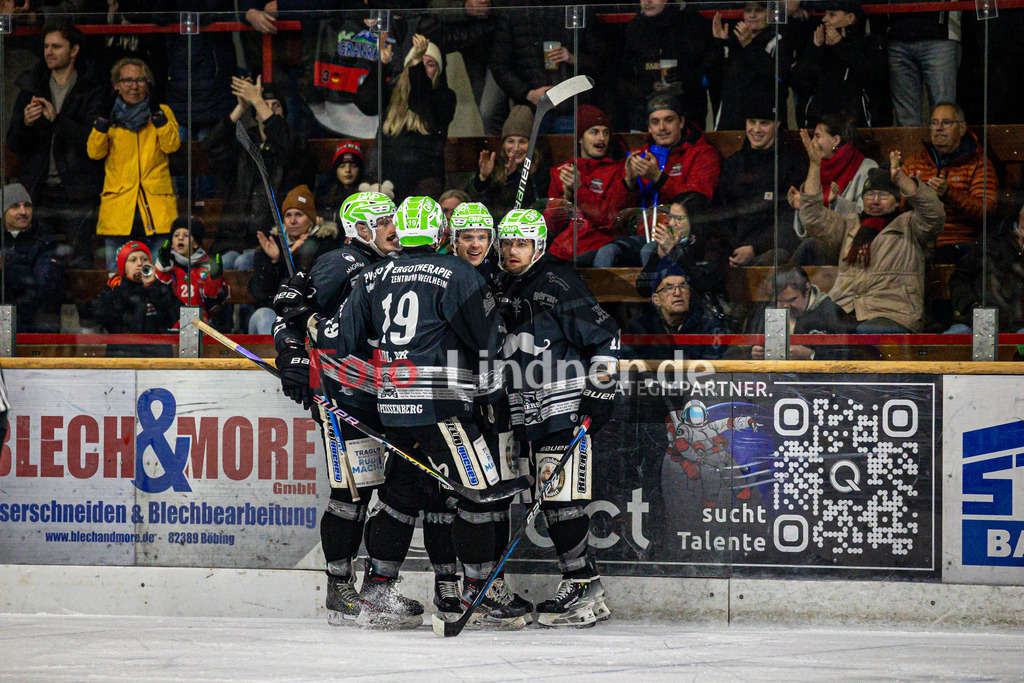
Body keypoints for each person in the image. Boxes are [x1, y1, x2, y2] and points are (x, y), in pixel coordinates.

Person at [288, 196, 519, 629]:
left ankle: (379, 588)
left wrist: (311, 323)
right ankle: (475, 591)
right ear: (441, 234)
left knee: (403, 490)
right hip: (441, 406)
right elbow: (490, 343)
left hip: (390, 406)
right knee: (480, 492)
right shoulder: (457, 272)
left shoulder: (374, 276)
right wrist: (498, 316)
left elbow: (335, 338)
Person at [272, 191, 411, 627]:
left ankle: (378, 589)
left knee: (393, 491)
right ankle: (339, 588)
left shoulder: (393, 266)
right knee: (352, 492)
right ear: (362, 229)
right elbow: (289, 315)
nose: (394, 228)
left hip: (384, 395)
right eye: (384, 221)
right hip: (346, 396)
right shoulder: (343, 263)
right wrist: (293, 360)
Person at [496, 208, 619, 628]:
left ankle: (582, 582)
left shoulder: (560, 282)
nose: (513, 251)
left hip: (561, 404)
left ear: (539, 245)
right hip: (518, 406)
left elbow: (606, 337)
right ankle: (584, 580)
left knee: (560, 497)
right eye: (508, 243)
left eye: (522, 244)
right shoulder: (498, 284)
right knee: (544, 498)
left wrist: (600, 391)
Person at [448, 201, 533, 626]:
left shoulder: (493, 278)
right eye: (467, 236)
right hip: (461, 399)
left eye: (482, 236)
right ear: (453, 239)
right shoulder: (451, 277)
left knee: (498, 495)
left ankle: (487, 585)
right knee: (468, 496)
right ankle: (469, 586)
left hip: (496, 400)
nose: (476, 243)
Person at [796, 131, 945, 334]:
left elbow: (934, 214)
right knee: (805, 323)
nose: (875, 201)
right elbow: (813, 218)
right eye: (870, 195)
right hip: (848, 307)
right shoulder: (851, 224)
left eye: (883, 195)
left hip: (892, 313)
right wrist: (815, 165)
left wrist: (901, 179)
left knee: (865, 332)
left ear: (896, 198)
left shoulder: (910, 224)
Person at [6, 21, 103, 268]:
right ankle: (43, 309)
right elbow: (14, 144)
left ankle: (83, 309)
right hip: (39, 191)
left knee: (80, 262)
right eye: (46, 46)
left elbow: (94, 143)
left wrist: (58, 121)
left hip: (77, 191)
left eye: (57, 46)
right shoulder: (32, 86)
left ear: (74, 50)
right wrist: (26, 124)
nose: (48, 51)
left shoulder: (90, 89)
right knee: (38, 262)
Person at [596, 92, 721, 267]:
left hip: (682, 238)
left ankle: (659, 294)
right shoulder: (639, 156)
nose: (661, 127)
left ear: (682, 122)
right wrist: (628, 183)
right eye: (655, 122)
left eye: (668, 120)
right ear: (648, 127)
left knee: (650, 250)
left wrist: (658, 177)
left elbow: (696, 202)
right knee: (607, 252)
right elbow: (615, 214)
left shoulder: (703, 154)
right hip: (643, 234)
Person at [203, 76, 313, 270]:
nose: (268, 109)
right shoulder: (243, 143)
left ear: (284, 113)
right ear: (254, 114)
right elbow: (211, 148)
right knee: (222, 263)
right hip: (234, 239)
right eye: (264, 105)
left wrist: (259, 101)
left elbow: (291, 149)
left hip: (272, 239)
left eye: (275, 105)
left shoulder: (294, 143)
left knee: (242, 262)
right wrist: (241, 108)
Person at [87, 57, 181, 271]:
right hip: (120, 209)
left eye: (140, 80)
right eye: (127, 80)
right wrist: (102, 121)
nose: (134, 86)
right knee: (116, 276)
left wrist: (157, 115)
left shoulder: (162, 111)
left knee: (160, 274)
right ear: (116, 85)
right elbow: (94, 152)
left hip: (156, 208)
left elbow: (172, 145)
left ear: (148, 84)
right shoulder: (108, 114)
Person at [356, 34, 456, 201]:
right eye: (416, 63)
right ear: (406, 66)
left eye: (430, 65)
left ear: (438, 71)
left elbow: (420, 102)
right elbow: (366, 103)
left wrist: (417, 63)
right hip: (385, 180)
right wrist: (381, 65)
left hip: (423, 181)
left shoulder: (444, 97)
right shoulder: (393, 90)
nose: (423, 68)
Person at [714, 97, 806, 267]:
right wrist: (734, 249)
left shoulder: (792, 163)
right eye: (751, 122)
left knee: (779, 257)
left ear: (777, 123)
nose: (756, 130)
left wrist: (754, 248)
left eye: (764, 123)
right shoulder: (733, 163)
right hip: (733, 250)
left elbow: (791, 219)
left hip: (769, 250)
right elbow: (721, 211)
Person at [901, 102, 997, 264]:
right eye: (934, 123)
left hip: (959, 241)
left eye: (946, 123)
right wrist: (912, 195)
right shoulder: (914, 162)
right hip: (917, 241)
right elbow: (900, 209)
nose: (939, 128)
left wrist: (949, 194)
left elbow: (985, 211)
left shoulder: (978, 164)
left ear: (961, 128)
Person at [544, 105, 630, 265]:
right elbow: (551, 226)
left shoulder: (617, 171)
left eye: (606, 132)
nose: (602, 138)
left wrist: (579, 189)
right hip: (562, 249)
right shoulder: (561, 171)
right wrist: (566, 196)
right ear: (580, 138)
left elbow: (610, 220)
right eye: (594, 132)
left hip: (597, 247)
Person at [247, 185, 339, 334]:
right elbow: (259, 293)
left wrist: (296, 255)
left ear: (311, 219)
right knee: (262, 316)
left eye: (299, 214)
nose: (293, 221)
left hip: (309, 314)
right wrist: (277, 260)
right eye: (288, 215)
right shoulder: (271, 245)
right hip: (275, 312)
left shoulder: (325, 246)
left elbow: (318, 292)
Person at [788, 113, 878, 265]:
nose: (813, 143)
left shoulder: (867, 168)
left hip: (851, 245)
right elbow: (807, 230)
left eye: (818, 136)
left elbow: (869, 214)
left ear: (835, 140)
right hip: (820, 245)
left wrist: (837, 203)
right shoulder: (816, 169)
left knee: (810, 246)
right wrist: (802, 207)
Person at [789, 0, 890, 128]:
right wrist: (815, 49)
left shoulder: (869, 43)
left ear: (850, 18)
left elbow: (873, 76)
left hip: (855, 124)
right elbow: (799, 82)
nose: (825, 19)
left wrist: (841, 46)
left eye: (832, 15)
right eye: (825, 14)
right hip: (822, 122)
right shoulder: (819, 43)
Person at [619, 0, 712, 132]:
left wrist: (687, 78)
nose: (648, 1)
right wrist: (640, 92)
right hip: (644, 114)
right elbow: (625, 76)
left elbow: (708, 71)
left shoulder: (692, 24)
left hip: (687, 114)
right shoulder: (633, 28)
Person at [706, 1, 787, 132]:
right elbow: (710, 77)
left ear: (770, 13)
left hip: (761, 124)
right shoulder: (732, 42)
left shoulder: (779, 40)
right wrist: (718, 43)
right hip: (730, 121)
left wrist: (749, 45)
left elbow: (775, 77)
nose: (752, 15)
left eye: (759, 11)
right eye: (748, 11)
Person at [741, 265, 850, 360]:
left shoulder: (831, 312)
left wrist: (811, 356)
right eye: (780, 301)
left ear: (807, 290)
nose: (785, 306)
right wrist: (754, 352)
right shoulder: (766, 310)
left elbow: (845, 357)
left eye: (791, 300)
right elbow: (746, 345)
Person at [92, 240, 180, 356]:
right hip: (123, 357)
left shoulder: (160, 288)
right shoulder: (113, 291)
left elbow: (174, 316)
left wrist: (152, 286)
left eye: (144, 259)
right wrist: (127, 286)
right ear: (123, 266)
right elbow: (107, 321)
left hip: (156, 358)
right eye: (133, 260)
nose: (140, 263)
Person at [947, 202, 1024, 335]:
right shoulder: (991, 239)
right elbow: (959, 279)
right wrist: (972, 306)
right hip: (978, 322)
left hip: (1020, 326)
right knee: (949, 341)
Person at [623, 263, 725, 360]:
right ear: (656, 299)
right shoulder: (639, 328)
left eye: (682, 286)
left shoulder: (707, 325)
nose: (677, 293)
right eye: (669, 288)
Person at [1, 183, 66, 332]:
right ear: (3, 211)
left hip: (35, 323)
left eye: (27, 206)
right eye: (15, 206)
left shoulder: (46, 240)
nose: (23, 212)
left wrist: (6, 269)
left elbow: (42, 288)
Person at [886, 0, 962, 127]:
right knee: (906, 121)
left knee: (943, 115)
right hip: (898, 33)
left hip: (939, 32)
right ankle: (909, 147)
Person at [468, 105, 542, 218]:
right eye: (510, 141)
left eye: (522, 142)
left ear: (532, 144)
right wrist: (483, 178)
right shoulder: (494, 166)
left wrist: (513, 177)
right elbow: (478, 206)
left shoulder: (539, 171)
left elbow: (526, 207)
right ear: (503, 144)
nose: (516, 148)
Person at [153, 217, 228, 323]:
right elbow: (160, 293)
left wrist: (215, 277)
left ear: (196, 243)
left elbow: (214, 298)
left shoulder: (206, 265)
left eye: (186, 235)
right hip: (172, 325)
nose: (180, 238)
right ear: (172, 244)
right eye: (176, 235)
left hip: (201, 324)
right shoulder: (167, 265)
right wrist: (163, 264)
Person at [316, 141, 365, 226]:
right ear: (335, 170)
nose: (347, 170)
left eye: (353, 166)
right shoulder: (325, 195)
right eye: (342, 166)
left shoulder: (366, 195)